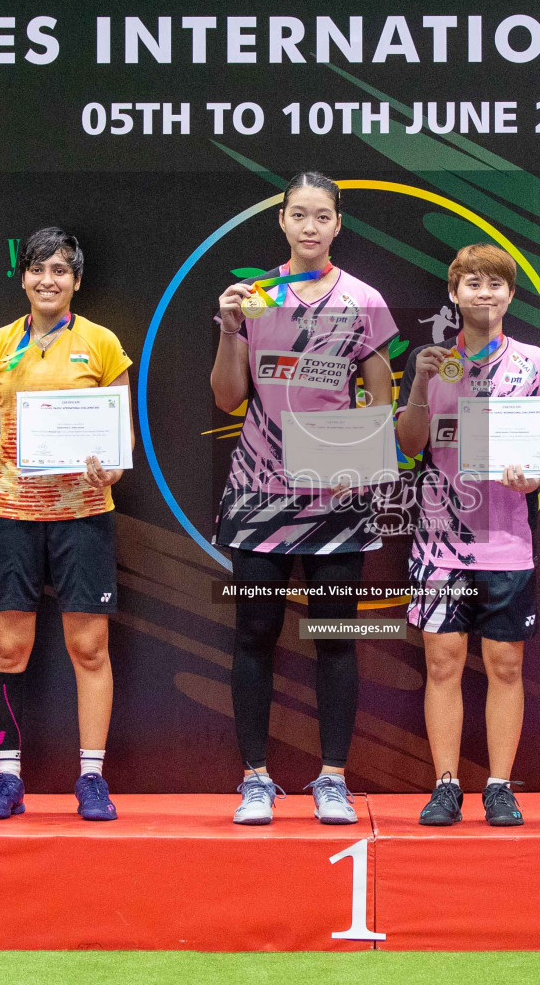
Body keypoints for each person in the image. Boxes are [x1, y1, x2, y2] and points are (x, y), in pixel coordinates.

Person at [210, 172, 398, 825]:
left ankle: (333, 779)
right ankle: (256, 779)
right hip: (260, 492)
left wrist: (364, 457)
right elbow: (227, 398)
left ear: (338, 225)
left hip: (337, 498)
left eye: (323, 216)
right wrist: (233, 328)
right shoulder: (253, 297)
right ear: (282, 222)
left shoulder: (364, 300)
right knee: (256, 633)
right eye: (299, 215)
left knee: (334, 636)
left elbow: (379, 391)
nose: (310, 226)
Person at [0, 228, 133, 821]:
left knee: (89, 646)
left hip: (83, 514)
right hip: (10, 512)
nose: (47, 280)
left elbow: (120, 439)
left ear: (76, 281)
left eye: (60, 270)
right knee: (9, 648)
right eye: (37, 269)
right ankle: (7, 779)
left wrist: (112, 469)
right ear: (22, 277)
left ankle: (92, 778)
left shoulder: (102, 343)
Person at [396, 244, 540, 828]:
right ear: (453, 293)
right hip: (440, 541)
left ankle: (497, 785)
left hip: (508, 539)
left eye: (495, 284)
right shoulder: (432, 361)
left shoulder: (534, 362)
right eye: (472, 283)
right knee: (442, 663)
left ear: (511, 295)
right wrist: (417, 384)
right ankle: (445, 784)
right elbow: (410, 445)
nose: (484, 293)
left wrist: (530, 474)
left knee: (506, 665)